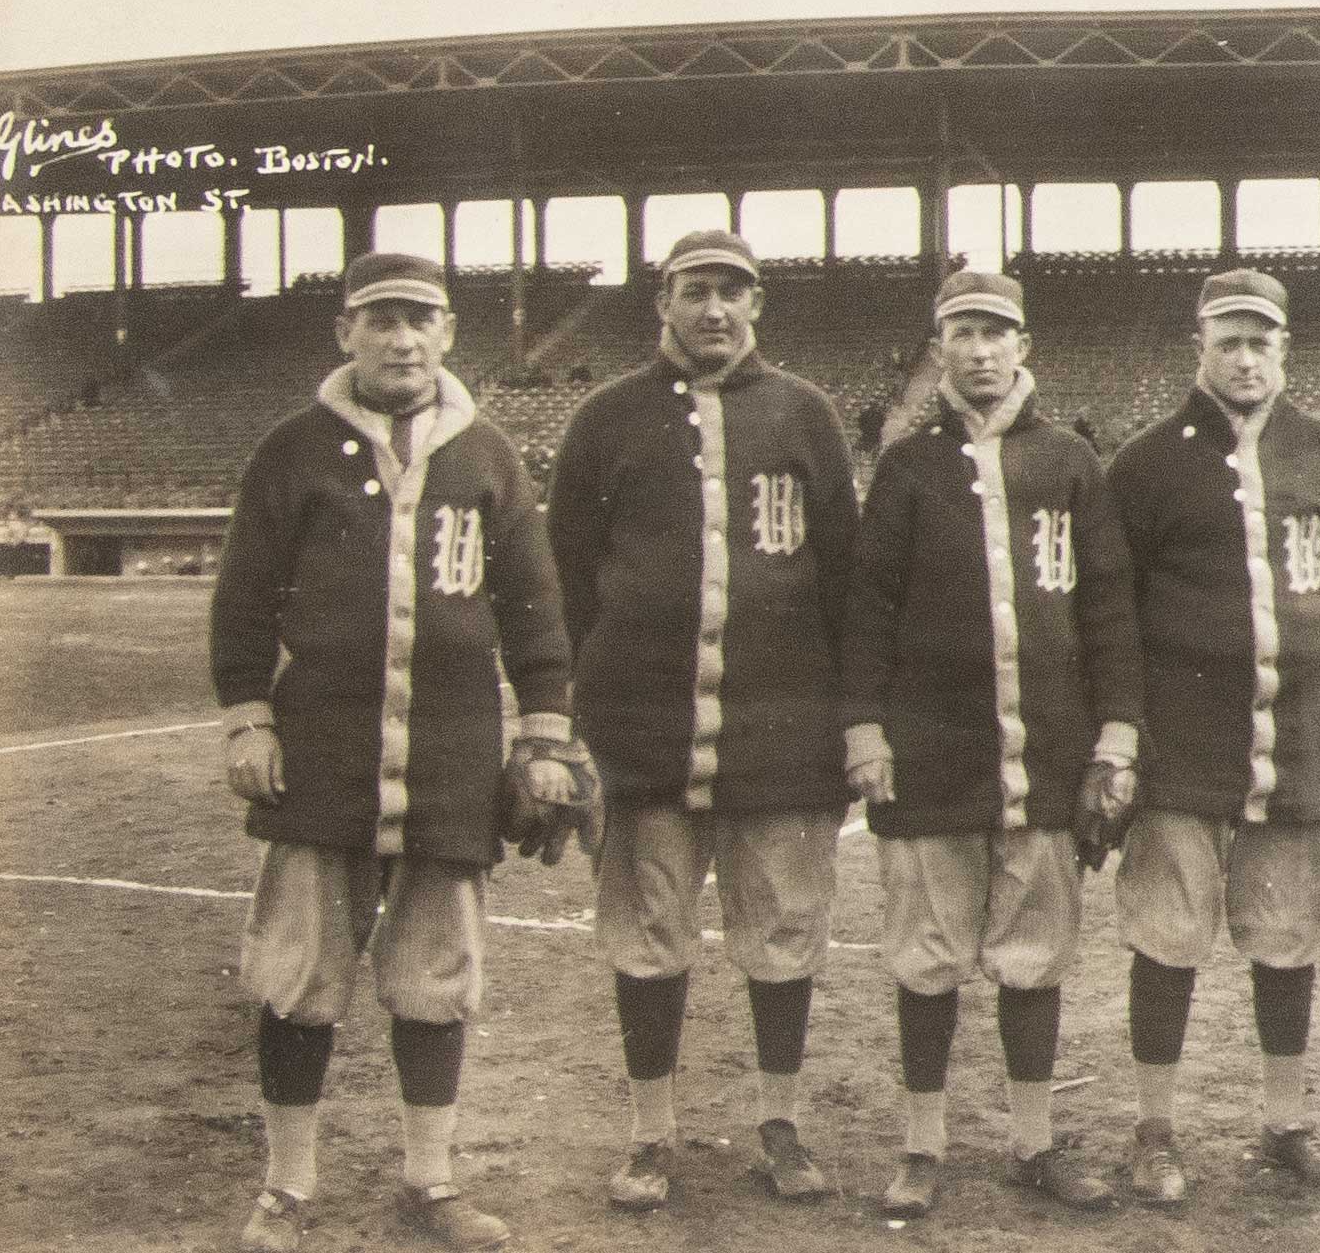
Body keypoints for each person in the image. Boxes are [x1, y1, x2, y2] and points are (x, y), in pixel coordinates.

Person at [216, 251, 583, 1253]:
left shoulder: (489, 455)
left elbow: (535, 609)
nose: (402, 338)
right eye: (380, 319)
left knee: (435, 974)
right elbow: (243, 599)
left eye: (421, 318)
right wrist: (248, 717)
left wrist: (544, 736)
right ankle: (287, 1185)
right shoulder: (292, 448)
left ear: (448, 332)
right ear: (346, 332)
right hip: (320, 750)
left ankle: (431, 1177)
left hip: (450, 757)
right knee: (297, 976)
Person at [552, 228, 861, 1212]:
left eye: (733, 291)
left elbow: (847, 583)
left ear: (757, 302)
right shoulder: (605, 418)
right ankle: (651, 1132)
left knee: (783, 928)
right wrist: (568, 721)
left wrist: (853, 723)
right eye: (696, 291)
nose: (714, 309)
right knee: (649, 933)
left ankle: (780, 1121)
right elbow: (566, 580)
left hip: (783, 736)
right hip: (641, 732)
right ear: (663, 302)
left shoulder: (805, 414)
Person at [844, 269, 1144, 1218]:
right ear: (939, 348)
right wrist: (865, 729)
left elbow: (1108, 608)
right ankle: (921, 1145)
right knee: (926, 956)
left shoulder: (1069, 460)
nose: (979, 351)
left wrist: (1116, 737)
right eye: (962, 333)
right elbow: (868, 608)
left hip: (1046, 750)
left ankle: (1033, 1142)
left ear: (1024, 347)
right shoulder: (907, 465)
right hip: (930, 751)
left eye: (995, 333)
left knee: (1033, 953)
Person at [1106, 268, 1320, 1199]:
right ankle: (1153, 1130)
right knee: (1167, 936)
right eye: (1229, 341)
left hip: (1296, 738)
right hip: (1181, 744)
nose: (1246, 358)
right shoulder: (1146, 462)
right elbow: (1114, 608)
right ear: (1201, 348)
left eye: (1261, 341)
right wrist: (1125, 734)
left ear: (1283, 348)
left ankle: (1284, 1122)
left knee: (1287, 934)